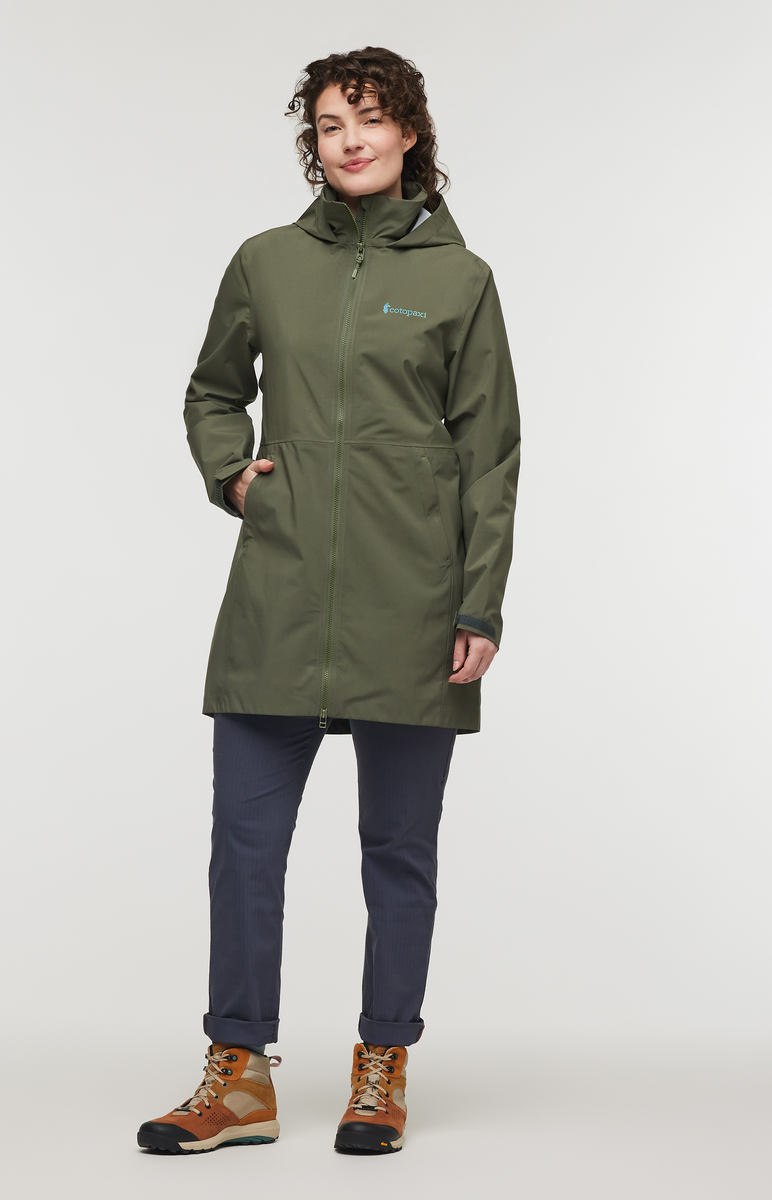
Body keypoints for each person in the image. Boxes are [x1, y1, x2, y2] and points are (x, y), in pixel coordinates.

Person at [138, 46, 520, 1156]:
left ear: (409, 131)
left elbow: (491, 453)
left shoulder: (461, 280)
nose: (348, 140)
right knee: (244, 846)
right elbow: (213, 392)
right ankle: (238, 1077)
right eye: (328, 125)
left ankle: (382, 1066)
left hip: (414, 601)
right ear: (312, 143)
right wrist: (234, 475)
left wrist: (479, 605)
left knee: (398, 848)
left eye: (368, 118)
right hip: (281, 592)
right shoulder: (266, 262)